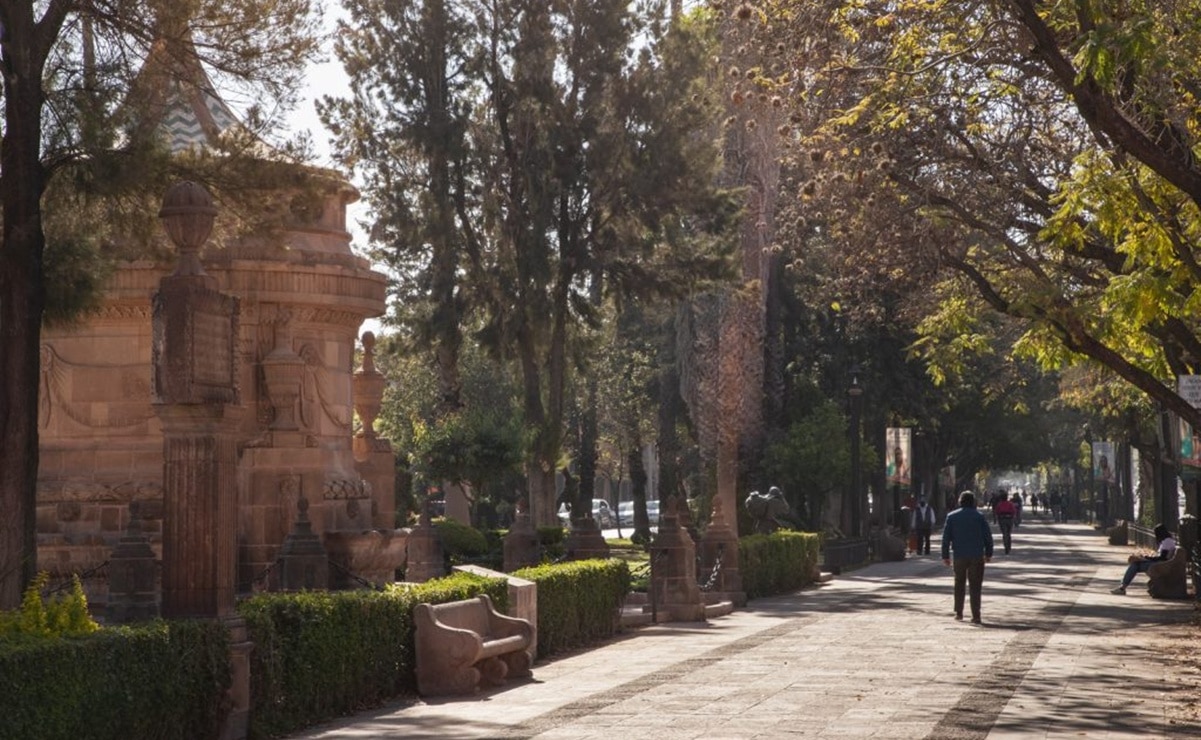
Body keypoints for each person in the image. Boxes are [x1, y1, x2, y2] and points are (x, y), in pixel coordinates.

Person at [941, 490, 994, 624]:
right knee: (975, 585)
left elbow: (946, 538)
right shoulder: (979, 516)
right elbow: (988, 536)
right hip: (977, 555)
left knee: (959, 583)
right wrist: (988, 553)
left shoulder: (952, 516)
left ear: (960, 501)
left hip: (959, 555)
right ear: (973, 502)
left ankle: (959, 612)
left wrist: (945, 555)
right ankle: (976, 615)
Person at [1111, 524, 1177, 595]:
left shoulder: (1167, 542)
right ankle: (1122, 587)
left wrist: (1146, 558)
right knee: (1135, 564)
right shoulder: (1167, 541)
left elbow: (1163, 557)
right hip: (1160, 562)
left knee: (1135, 565)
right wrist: (1145, 558)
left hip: (1162, 564)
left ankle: (1122, 587)